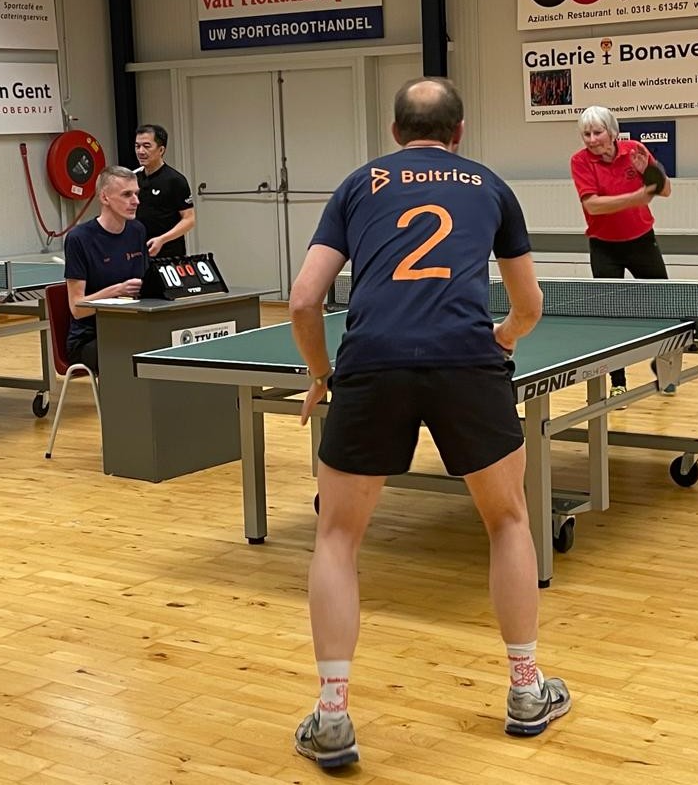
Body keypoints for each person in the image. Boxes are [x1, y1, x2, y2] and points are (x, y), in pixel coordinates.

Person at [287, 78, 568, 769]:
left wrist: (322, 374)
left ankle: (332, 716)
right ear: (459, 132)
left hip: (372, 362)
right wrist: (504, 337)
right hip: (467, 362)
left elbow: (302, 300)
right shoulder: (490, 186)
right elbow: (530, 303)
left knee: (337, 537)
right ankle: (526, 690)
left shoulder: (359, 184)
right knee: (508, 520)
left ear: (394, 131)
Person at [569, 105, 672, 399]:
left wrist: (648, 172)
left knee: (665, 307)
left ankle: (666, 371)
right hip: (604, 247)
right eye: (586, 134)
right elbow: (592, 205)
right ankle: (617, 381)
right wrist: (636, 198)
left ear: (612, 132)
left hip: (642, 242)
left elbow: (665, 190)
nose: (591, 139)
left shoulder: (635, 150)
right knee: (610, 317)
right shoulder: (580, 161)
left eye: (597, 132)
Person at [63, 165, 148, 372]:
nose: (136, 201)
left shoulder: (137, 230)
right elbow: (77, 308)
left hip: (131, 329)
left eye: (136, 194)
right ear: (104, 198)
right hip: (90, 338)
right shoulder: (79, 238)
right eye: (127, 195)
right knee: (130, 356)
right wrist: (117, 290)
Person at [133, 124, 195, 259]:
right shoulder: (133, 178)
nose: (141, 151)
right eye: (137, 146)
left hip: (168, 253)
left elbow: (189, 219)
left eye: (147, 146)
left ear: (161, 150)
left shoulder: (175, 180)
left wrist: (162, 239)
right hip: (138, 251)